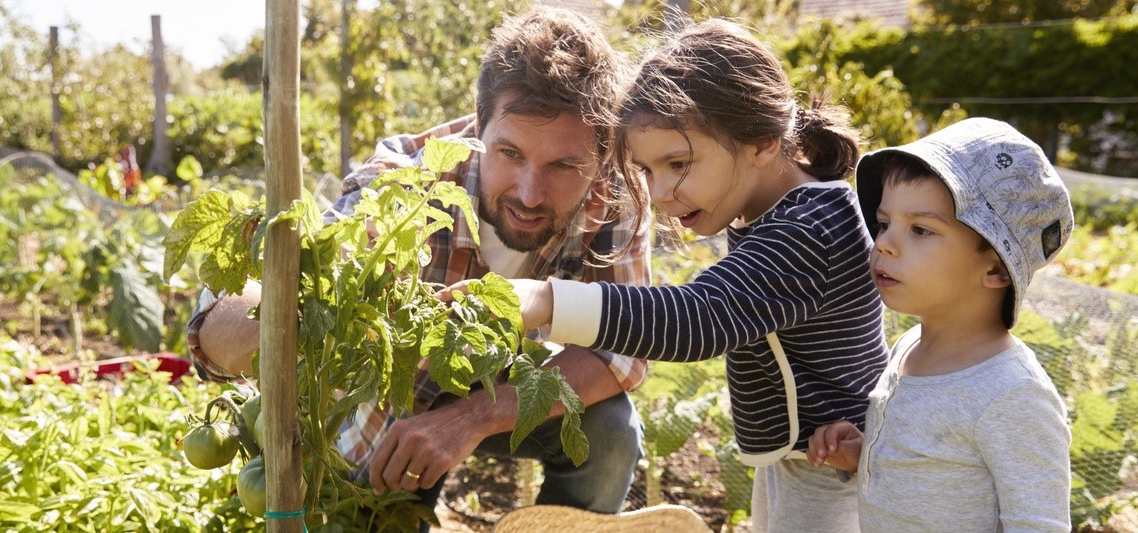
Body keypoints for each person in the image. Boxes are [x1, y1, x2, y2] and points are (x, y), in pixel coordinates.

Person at [186, 6, 652, 522]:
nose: (529, 192)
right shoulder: (406, 183)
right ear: (479, 125)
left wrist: (473, 416)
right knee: (369, 508)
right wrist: (264, 324)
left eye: (564, 165)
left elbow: (622, 352)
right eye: (510, 153)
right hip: (396, 414)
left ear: (601, 153)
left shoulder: (617, 196)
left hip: (508, 389)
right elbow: (261, 302)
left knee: (610, 432)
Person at [448, 19, 890, 532]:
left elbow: (698, 318)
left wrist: (549, 301)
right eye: (647, 170)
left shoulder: (809, 229)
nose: (658, 194)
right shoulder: (776, 212)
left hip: (836, 468)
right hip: (811, 457)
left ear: (763, 142)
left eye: (678, 163)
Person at [806, 117, 1074, 531]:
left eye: (921, 229)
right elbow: (936, 477)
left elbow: (1039, 524)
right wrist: (864, 455)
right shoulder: (909, 347)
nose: (884, 244)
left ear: (997, 269)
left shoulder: (1012, 395)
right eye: (883, 223)